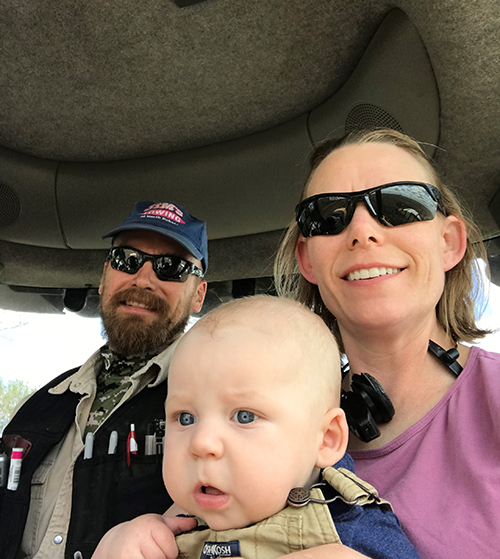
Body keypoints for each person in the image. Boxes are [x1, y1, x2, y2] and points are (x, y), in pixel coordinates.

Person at [274, 128, 500, 558]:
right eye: (328, 215)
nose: (362, 231)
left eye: (400, 204)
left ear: (449, 242)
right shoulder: (264, 424)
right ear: (308, 260)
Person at [92, 295, 420, 559]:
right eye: (186, 418)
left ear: (325, 439)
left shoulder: (352, 529)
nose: (202, 442)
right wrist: (121, 541)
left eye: (244, 416)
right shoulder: (169, 530)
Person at [0, 200, 208, 559]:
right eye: (127, 260)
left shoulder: (216, 402)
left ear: (199, 295)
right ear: (104, 278)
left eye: (170, 268)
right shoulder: (37, 406)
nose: (143, 279)